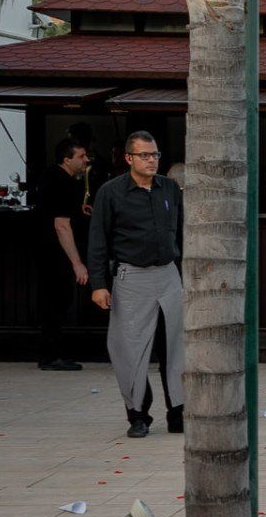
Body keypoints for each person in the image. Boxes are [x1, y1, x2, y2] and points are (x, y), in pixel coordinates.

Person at [88, 131, 184, 437]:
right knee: (130, 350)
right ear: (129, 158)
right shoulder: (111, 192)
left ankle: (178, 412)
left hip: (168, 273)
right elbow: (98, 240)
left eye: (155, 154)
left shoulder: (169, 188)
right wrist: (98, 284)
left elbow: (181, 232)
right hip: (132, 276)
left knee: (176, 347)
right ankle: (138, 415)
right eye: (144, 155)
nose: (151, 160)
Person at [37, 137, 94, 371]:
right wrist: (77, 262)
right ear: (66, 159)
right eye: (81, 156)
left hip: (50, 251)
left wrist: (79, 210)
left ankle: (51, 354)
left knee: (56, 300)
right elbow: (61, 225)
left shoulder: (55, 177)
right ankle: (51, 355)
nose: (86, 160)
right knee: (57, 301)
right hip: (57, 253)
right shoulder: (61, 182)